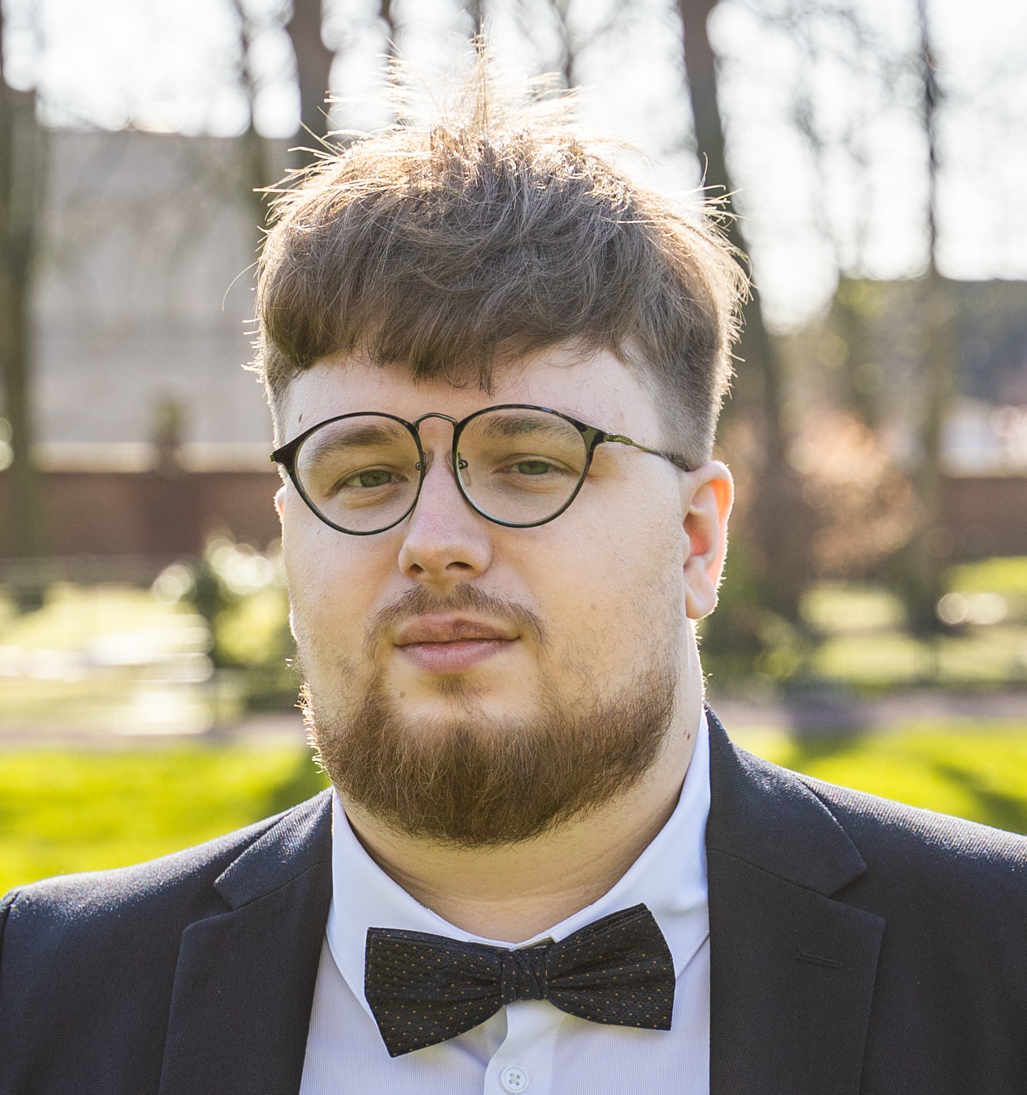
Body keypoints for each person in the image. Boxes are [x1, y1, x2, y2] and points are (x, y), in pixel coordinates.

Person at [2, 63, 1026, 1095]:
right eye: (365, 474)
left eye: (531, 461)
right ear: (288, 534)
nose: (434, 541)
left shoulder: (1002, 960)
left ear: (695, 540)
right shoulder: (38, 992)